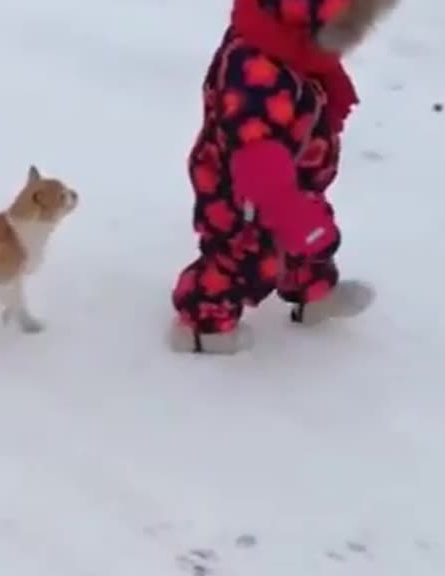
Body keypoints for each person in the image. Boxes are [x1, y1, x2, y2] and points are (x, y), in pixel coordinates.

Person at [169, 0, 399, 354]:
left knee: (307, 243)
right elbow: (254, 150)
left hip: (293, 178)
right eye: (349, 25)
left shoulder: (293, 50)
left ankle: (314, 296)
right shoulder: (254, 68)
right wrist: (287, 209)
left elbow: (307, 97)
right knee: (240, 253)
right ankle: (204, 326)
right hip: (243, 191)